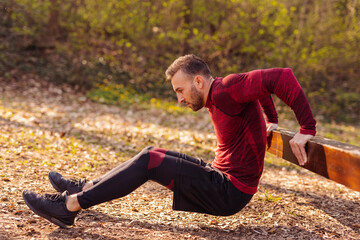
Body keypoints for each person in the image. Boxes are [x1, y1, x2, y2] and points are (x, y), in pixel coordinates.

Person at [22, 54, 316, 228]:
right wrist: (272, 119)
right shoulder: (225, 92)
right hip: (220, 177)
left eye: (181, 90)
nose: (179, 99)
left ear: (198, 81)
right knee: (151, 152)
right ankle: (86, 188)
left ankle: (69, 206)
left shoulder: (227, 89)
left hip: (229, 190)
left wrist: (307, 128)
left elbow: (282, 77)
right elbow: (262, 88)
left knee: (151, 161)